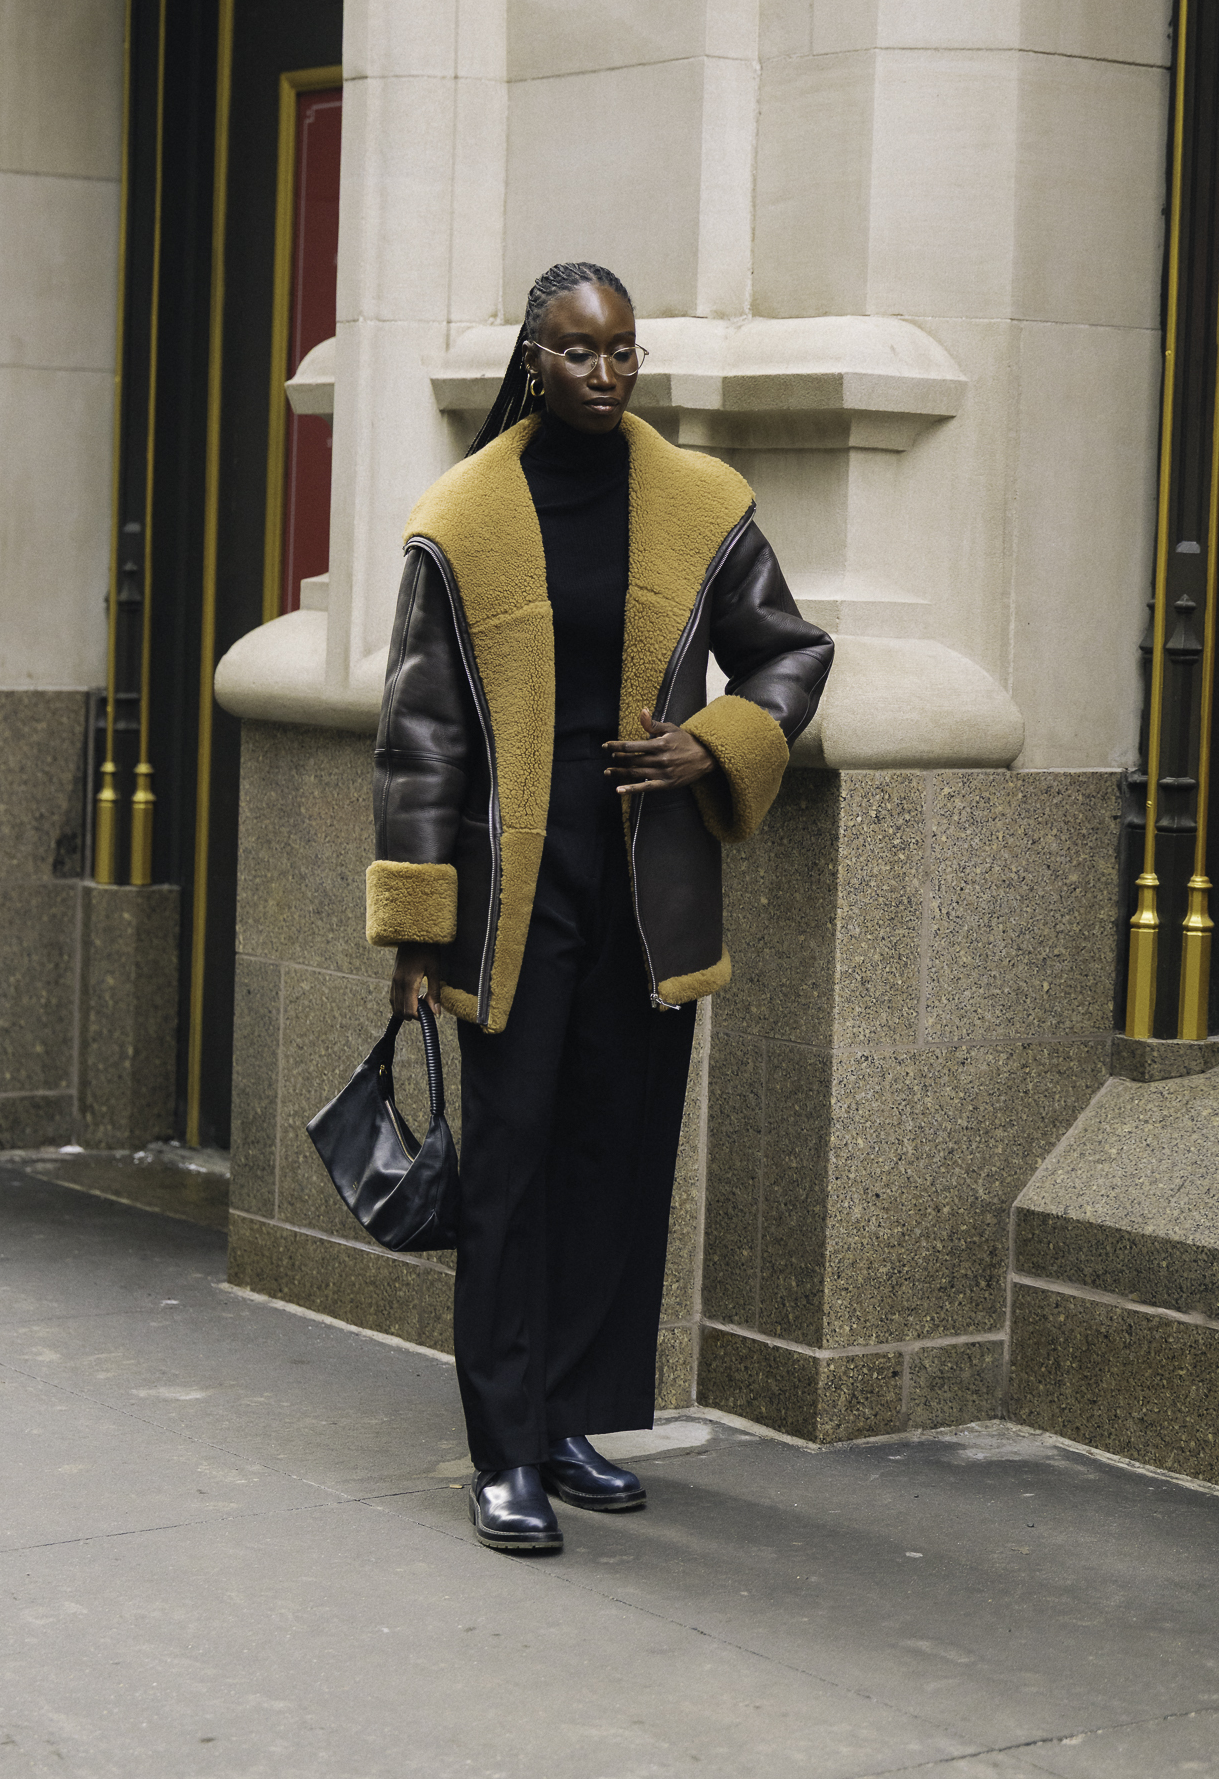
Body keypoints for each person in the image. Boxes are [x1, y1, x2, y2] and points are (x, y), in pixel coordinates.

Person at [368, 261, 833, 1553]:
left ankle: (571, 1414)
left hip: (648, 883)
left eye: (622, 351)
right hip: (515, 891)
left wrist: (719, 739)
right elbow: (417, 742)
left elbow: (791, 649)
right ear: (532, 358)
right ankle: (502, 1447)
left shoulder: (699, 501)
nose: (606, 373)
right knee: (511, 1171)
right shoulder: (460, 518)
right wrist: (413, 925)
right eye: (578, 351)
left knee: (613, 1159)